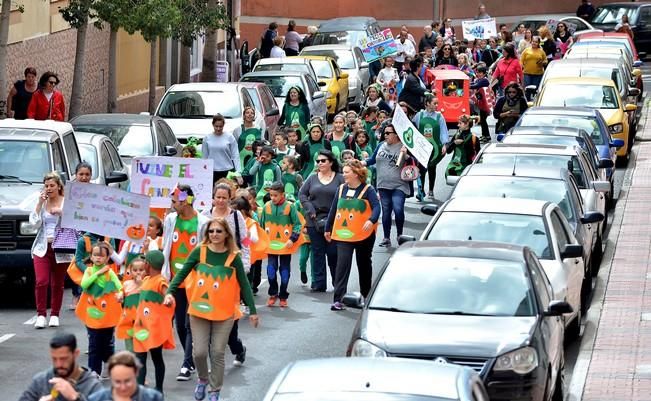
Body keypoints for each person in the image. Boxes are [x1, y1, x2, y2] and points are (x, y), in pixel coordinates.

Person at [164, 218, 259, 401]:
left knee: (217, 352)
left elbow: (244, 285)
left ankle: (215, 390)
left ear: (226, 235)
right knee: (199, 352)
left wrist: (253, 311)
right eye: (211, 231)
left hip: (224, 314)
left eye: (218, 231)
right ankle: (202, 379)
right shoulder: (200, 251)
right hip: (199, 310)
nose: (214, 234)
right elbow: (182, 273)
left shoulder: (233, 257)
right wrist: (170, 292)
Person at [162, 184, 210, 381]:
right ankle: (189, 358)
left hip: (195, 281)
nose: (172, 204)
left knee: (191, 324)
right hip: (176, 280)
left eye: (174, 201)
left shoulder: (203, 222)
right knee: (180, 325)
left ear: (186, 200)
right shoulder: (170, 219)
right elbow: (166, 244)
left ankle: (187, 363)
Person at [325, 160, 380, 310]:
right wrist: (327, 228)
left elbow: (376, 207)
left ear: (356, 174)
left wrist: (371, 220)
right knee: (342, 265)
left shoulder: (368, 190)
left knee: (363, 264)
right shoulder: (341, 189)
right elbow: (334, 209)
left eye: (347, 172)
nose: (344, 175)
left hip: (364, 235)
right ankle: (338, 299)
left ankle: (366, 296)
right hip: (344, 235)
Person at [299, 149, 344, 292]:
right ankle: (319, 284)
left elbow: (346, 196)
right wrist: (309, 208)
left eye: (323, 161)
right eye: (317, 161)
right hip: (314, 220)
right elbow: (302, 194)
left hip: (333, 221)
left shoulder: (340, 178)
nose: (319, 163)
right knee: (317, 253)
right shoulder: (312, 178)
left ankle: (337, 283)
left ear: (331, 162)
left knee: (333, 253)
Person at [76, 242, 123, 376]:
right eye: (95, 255)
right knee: (94, 343)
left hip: (107, 314)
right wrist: (98, 274)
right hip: (92, 312)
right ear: (91, 257)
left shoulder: (110, 272)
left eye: (101, 256)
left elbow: (119, 286)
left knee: (106, 343)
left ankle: (109, 361)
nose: (98, 258)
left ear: (107, 258)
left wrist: (120, 293)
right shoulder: (89, 270)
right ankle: (94, 371)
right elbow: (84, 285)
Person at [133, 250, 175, 394]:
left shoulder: (160, 281)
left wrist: (168, 298)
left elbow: (167, 292)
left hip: (154, 327)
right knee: (140, 357)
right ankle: (140, 391)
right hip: (141, 326)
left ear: (147, 264)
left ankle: (159, 389)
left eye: (144, 262)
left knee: (156, 357)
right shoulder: (146, 280)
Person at [363, 123, 410, 248]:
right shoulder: (380, 145)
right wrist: (361, 162)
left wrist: (406, 155)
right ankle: (386, 237)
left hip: (399, 185)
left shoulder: (404, 147)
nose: (385, 135)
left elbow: (413, 164)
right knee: (386, 211)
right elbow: (372, 159)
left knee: (398, 208)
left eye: (388, 133)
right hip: (383, 184)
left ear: (396, 135)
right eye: (385, 133)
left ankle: (400, 234)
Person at [31, 172, 67, 329]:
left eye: (52, 185)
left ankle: (54, 314)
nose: (49, 188)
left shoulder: (66, 202)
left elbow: (76, 221)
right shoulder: (42, 202)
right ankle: (40, 315)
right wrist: (39, 204)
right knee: (41, 281)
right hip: (42, 248)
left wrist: (62, 213)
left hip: (61, 247)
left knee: (58, 283)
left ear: (59, 186)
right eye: (46, 186)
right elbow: (34, 223)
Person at [19, 333, 102, 401]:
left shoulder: (92, 386)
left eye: (63, 359)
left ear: (76, 354)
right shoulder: (41, 381)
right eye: (54, 359)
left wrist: (75, 398)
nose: (59, 364)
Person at [261, 182, 303, 307]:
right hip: (271, 246)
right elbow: (261, 225)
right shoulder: (266, 207)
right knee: (271, 271)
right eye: (271, 195)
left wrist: (292, 239)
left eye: (275, 195)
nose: (272, 198)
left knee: (284, 273)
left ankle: (283, 295)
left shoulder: (290, 207)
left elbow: (297, 224)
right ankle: (273, 293)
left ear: (282, 194)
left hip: (285, 246)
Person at [413, 95, 449, 200]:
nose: (437, 105)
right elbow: (413, 129)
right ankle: (421, 190)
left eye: (437, 103)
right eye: (435, 103)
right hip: (422, 147)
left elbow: (443, 131)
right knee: (422, 169)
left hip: (435, 148)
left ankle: (431, 190)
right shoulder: (419, 115)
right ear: (427, 103)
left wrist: (444, 145)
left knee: (432, 168)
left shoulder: (439, 116)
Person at [88, 351, 164, 401]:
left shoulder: (154, 398)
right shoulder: (96, 399)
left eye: (127, 381)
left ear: (136, 373)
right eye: (117, 382)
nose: (123, 387)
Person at [116, 257, 146, 352]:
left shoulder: (146, 283)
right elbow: (122, 292)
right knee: (129, 336)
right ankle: (130, 352)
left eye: (141, 270)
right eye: (135, 270)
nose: (138, 272)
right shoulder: (127, 283)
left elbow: (147, 294)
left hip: (142, 318)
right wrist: (120, 296)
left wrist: (141, 283)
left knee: (141, 339)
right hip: (128, 317)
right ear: (130, 271)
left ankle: (141, 350)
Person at [202, 114, 240, 183]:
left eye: (220, 126)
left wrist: (238, 172)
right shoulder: (207, 138)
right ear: (213, 125)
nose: (218, 129)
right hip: (212, 171)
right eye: (216, 126)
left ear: (223, 125)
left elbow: (235, 155)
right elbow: (204, 157)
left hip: (228, 170)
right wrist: (204, 172)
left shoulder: (230, 137)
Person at [469, 66, 492, 143]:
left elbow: (475, 86)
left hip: (485, 104)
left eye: (479, 72)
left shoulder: (484, 81)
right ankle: (484, 135)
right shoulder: (480, 80)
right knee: (482, 120)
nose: (477, 74)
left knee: (483, 120)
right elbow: (474, 83)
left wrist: (466, 86)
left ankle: (487, 136)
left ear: (484, 73)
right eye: (477, 72)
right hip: (482, 104)